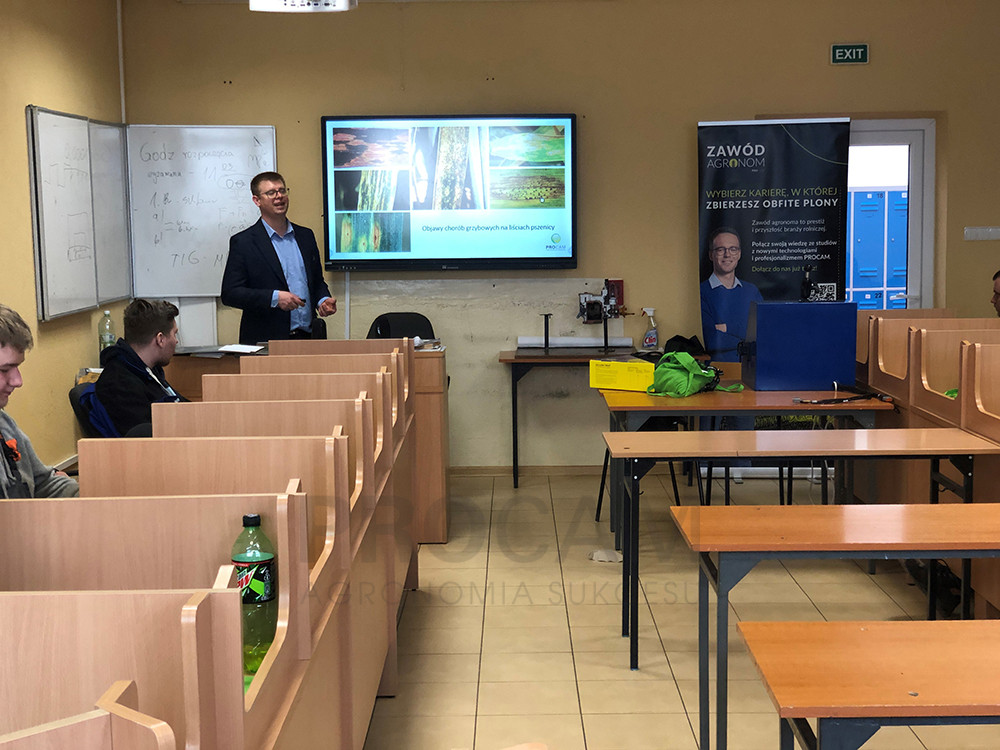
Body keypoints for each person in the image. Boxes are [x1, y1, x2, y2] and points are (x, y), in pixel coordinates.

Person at [221, 171, 338, 345]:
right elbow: (230, 294)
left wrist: (323, 300)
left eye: (282, 191)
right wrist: (274, 298)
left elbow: (316, 281)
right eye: (271, 193)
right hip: (266, 340)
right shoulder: (244, 242)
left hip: (307, 338)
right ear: (257, 200)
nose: (279, 196)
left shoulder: (305, 236)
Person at [0, 304, 79, 498]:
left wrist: (98, 496)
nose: (17, 381)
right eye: (4, 370)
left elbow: (42, 484)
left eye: (17, 367)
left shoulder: (5, 424)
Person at [94, 299, 186, 437]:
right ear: (160, 339)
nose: (176, 340)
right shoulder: (119, 384)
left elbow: (181, 404)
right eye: (174, 334)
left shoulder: (149, 370)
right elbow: (145, 437)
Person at [700, 226, 763, 362]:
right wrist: (748, 337)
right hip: (719, 369)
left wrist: (727, 328)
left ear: (739, 254)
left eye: (733, 249)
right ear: (711, 255)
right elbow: (710, 341)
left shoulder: (752, 291)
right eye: (720, 249)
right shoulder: (701, 292)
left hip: (754, 367)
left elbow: (764, 331)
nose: (727, 255)